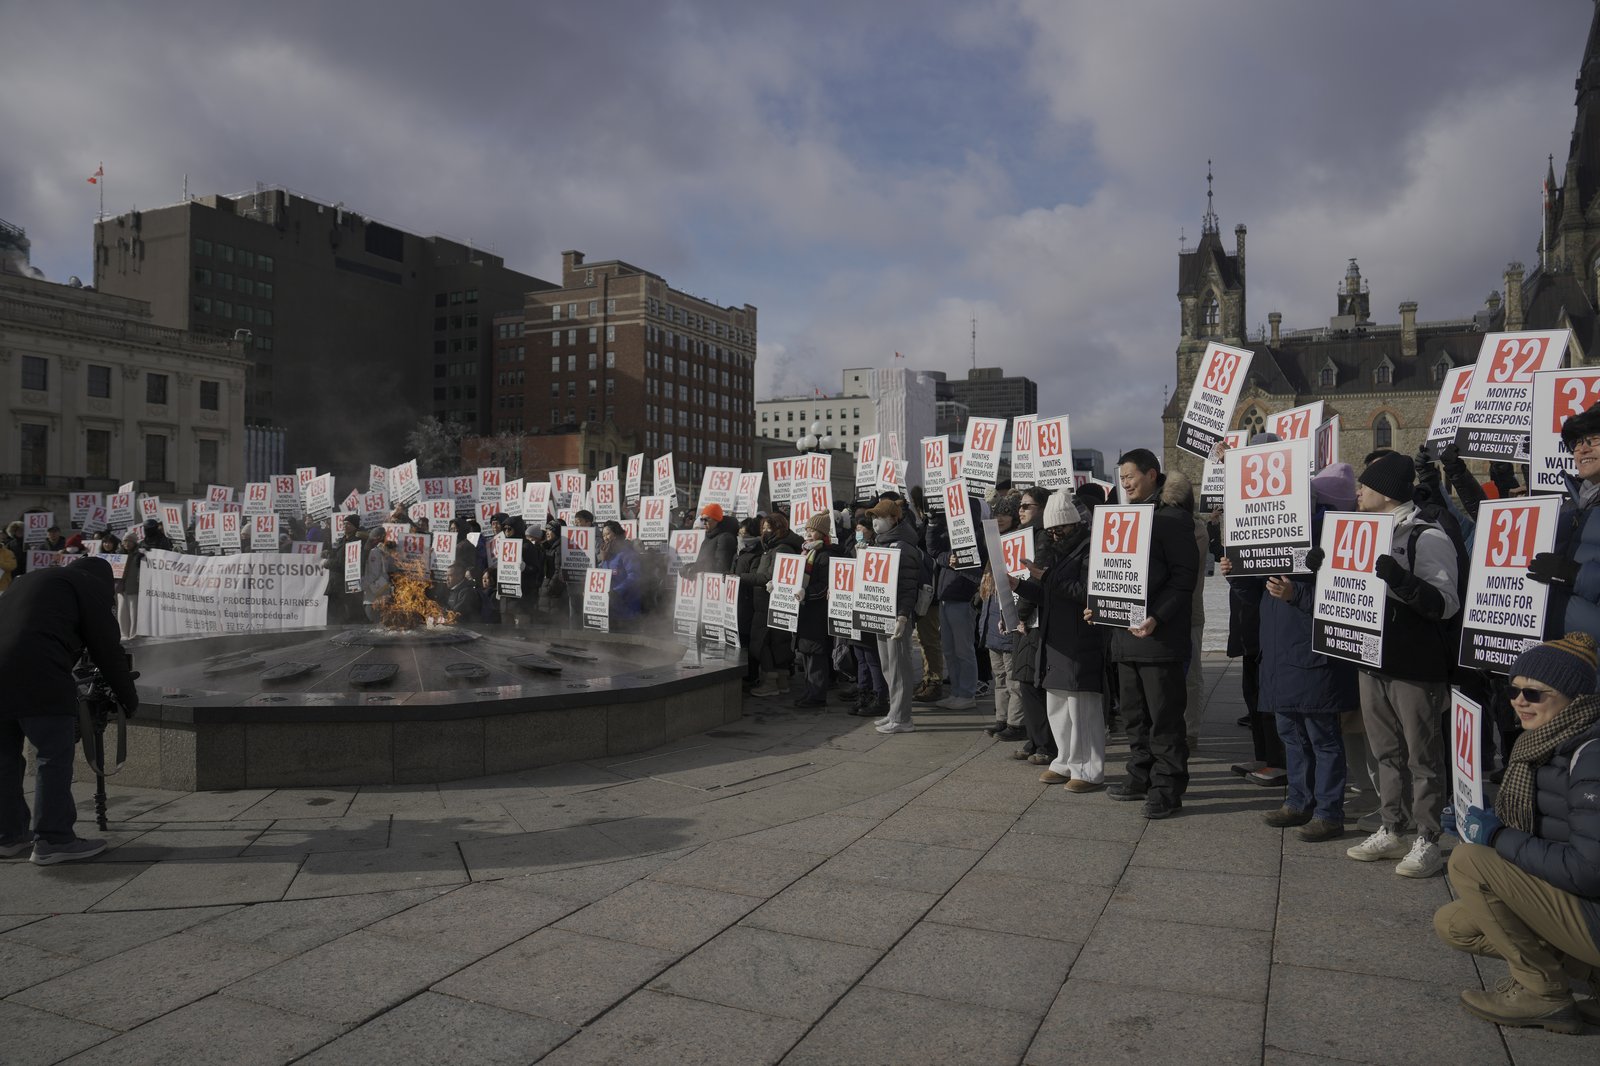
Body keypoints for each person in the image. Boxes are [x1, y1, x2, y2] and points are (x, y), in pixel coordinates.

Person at [1434, 633, 1600, 1034]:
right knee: (1455, 924)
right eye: (1513, 690)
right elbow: (1553, 832)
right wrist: (1477, 822)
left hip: (1590, 896)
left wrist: (1495, 838)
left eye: (1534, 693)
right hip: (1581, 899)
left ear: (1574, 699)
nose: (1518, 701)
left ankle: (1542, 993)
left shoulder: (1591, 754)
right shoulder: (1548, 740)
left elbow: (1589, 871)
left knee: (1470, 864)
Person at [1343, 450, 1461, 877]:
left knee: (1422, 755)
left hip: (1413, 662)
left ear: (1388, 493)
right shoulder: (1359, 531)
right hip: (1370, 656)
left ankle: (1427, 837)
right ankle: (1392, 827)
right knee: (1385, 751)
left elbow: (1445, 604)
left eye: (1366, 486)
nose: (1358, 492)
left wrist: (1401, 579)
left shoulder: (1426, 536)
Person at [1232, 462, 1360, 842]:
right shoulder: (1270, 537)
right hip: (1278, 654)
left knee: (1322, 737)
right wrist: (1236, 573)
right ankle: (1298, 801)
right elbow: (1256, 596)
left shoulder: (1334, 533)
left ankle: (1328, 812)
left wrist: (1296, 593)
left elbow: (1347, 597)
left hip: (1312, 655)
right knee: (1290, 733)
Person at [0, 557, 139, 865]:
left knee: (4, 757)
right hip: (39, 674)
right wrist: (129, 699)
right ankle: (54, 839)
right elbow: (107, 650)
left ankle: (8, 835)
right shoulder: (89, 586)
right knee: (52, 755)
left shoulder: (29, 581)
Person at [1089, 448, 1198, 820]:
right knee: (1134, 717)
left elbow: (1183, 579)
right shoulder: (1123, 518)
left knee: (1164, 717)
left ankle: (1167, 789)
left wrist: (1157, 617)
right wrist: (1098, 605)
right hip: (1124, 638)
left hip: (1159, 639)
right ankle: (1140, 776)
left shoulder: (1172, 519)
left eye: (1130, 477)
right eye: (1121, 478)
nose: (1125, 484)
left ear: (1152, 475)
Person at [1015, 491, 1106, 792]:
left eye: (1059, 529)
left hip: (1080, 638)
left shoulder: (1089, 548)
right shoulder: (1057, 552)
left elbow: (1086, 591)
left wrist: (1046, 577)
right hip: (1056, 639)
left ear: (1073, 524)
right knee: (1057, 705)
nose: (1054, 535)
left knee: (1081, 708)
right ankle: (1064, 760)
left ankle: (1088, 769)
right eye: (1051, 530)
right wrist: (1020, 586)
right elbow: (1048, 594)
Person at [866, 497, 923, 734]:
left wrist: (902, 616)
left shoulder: (903, 548)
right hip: (881, 611)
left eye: (879, 517)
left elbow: (908, 586)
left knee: (899, 666)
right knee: (888, 666)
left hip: (896, 613)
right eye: (873, 517)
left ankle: (902, 718)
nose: (874, 522)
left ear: (893, 519)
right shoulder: (882, 544)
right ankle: (895, 711)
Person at [748, 512, 802, 697]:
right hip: (766, 603)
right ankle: (781, 681)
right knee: (775, 643)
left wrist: (742, 578)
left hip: (770, 603)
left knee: (764, 642)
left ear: (779, 529)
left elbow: (768, 576)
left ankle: (770, 682)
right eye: (763, 528)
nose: (765, 531)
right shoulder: (772, 548)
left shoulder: (781, 548)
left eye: (768, 528)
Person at [792, 512, 837, 708]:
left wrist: (806, 593)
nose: (808, 534)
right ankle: (809, 691)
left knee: (816, 654)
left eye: (813, 531)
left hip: (817, 612)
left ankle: (817, 695)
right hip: (805, 610)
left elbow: (825, 585)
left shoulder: (825, 555)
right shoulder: (805, 552)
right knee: (806, 653)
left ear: (822, 533)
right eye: (807, 530)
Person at [598, 520, 642, 627]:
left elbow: (634, 575)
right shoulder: (606, 554)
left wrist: (617, 590)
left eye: (608, 534)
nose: (605, 537)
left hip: (627, 605)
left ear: (616, 534)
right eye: (603, 535)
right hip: (611, 606)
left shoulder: (627, 553)